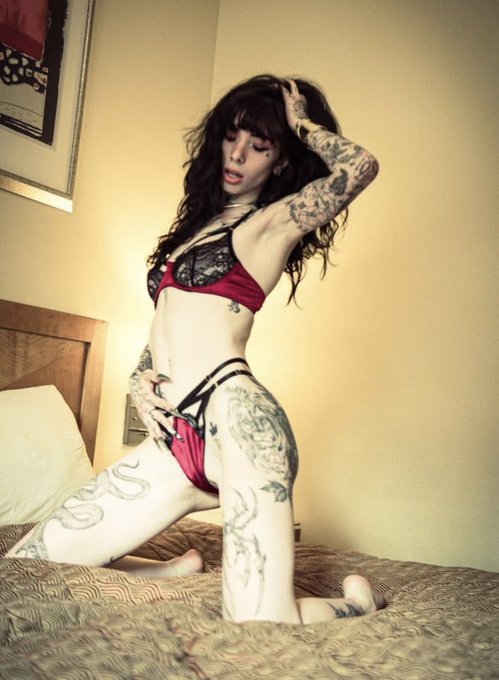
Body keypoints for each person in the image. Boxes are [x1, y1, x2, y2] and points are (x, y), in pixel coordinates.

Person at [7, 75, 383, 624]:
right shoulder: (196, 230)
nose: (238, 154)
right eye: (233, 136)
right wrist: (139, 379)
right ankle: (170, 571)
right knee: (24, 565)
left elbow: (360, 167)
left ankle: (355, 603)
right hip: (174, 442)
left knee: (258, 621)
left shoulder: (271, 224)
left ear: (281, 159)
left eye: (260, 145)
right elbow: (167, 322)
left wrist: (300, 124)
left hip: (238, 421)